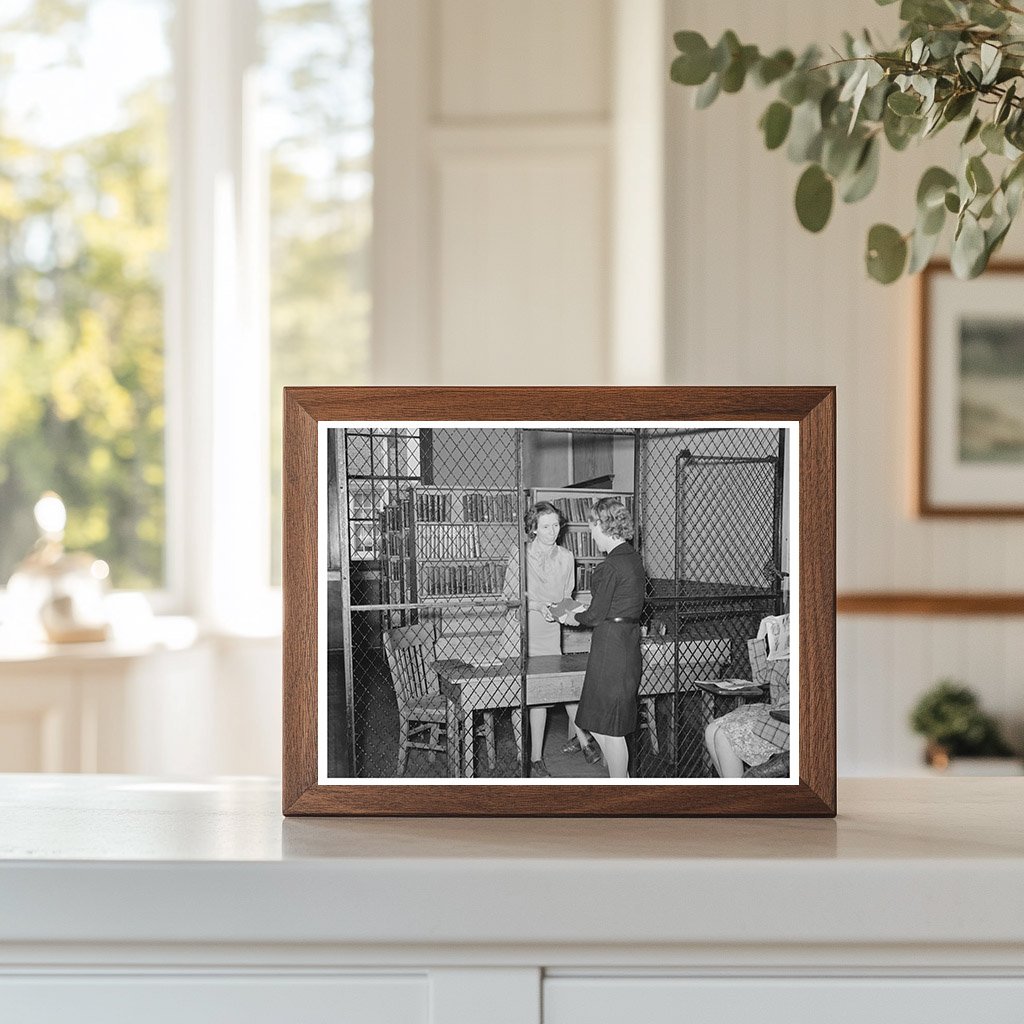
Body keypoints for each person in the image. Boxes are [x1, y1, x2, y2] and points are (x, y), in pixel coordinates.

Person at [559, 497, 644, 779]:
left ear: (602, 525)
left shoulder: (609, 566)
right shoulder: (633, 558)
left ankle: (621, 786)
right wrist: (586, 611)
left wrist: (569, 616)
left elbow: (595, 616)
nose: (590, 533)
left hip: (610, 647)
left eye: (591, 527)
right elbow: (612, 606)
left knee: (607, 725)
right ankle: (623, 782)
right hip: (625, 642)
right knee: (604, 722)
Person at [504, 502, 580, 778]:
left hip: (550, 632)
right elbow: (511, 596)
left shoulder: (567, 556)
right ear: (533, 528)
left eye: (556, 525)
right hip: (523, 631)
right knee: (521, 696)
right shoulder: (520, 554)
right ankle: (522, 754)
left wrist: (562, 612)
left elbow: (567, 595)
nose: (552, 531)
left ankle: (536, 758)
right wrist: (538, 606)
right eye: (546, 526)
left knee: (544, 695)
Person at [704, 623, 790, 778]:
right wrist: (762, 633)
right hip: (776, 712)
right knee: (711, 730)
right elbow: (761, 678)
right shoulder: (790, 647)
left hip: (791, 722)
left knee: (724, 736)